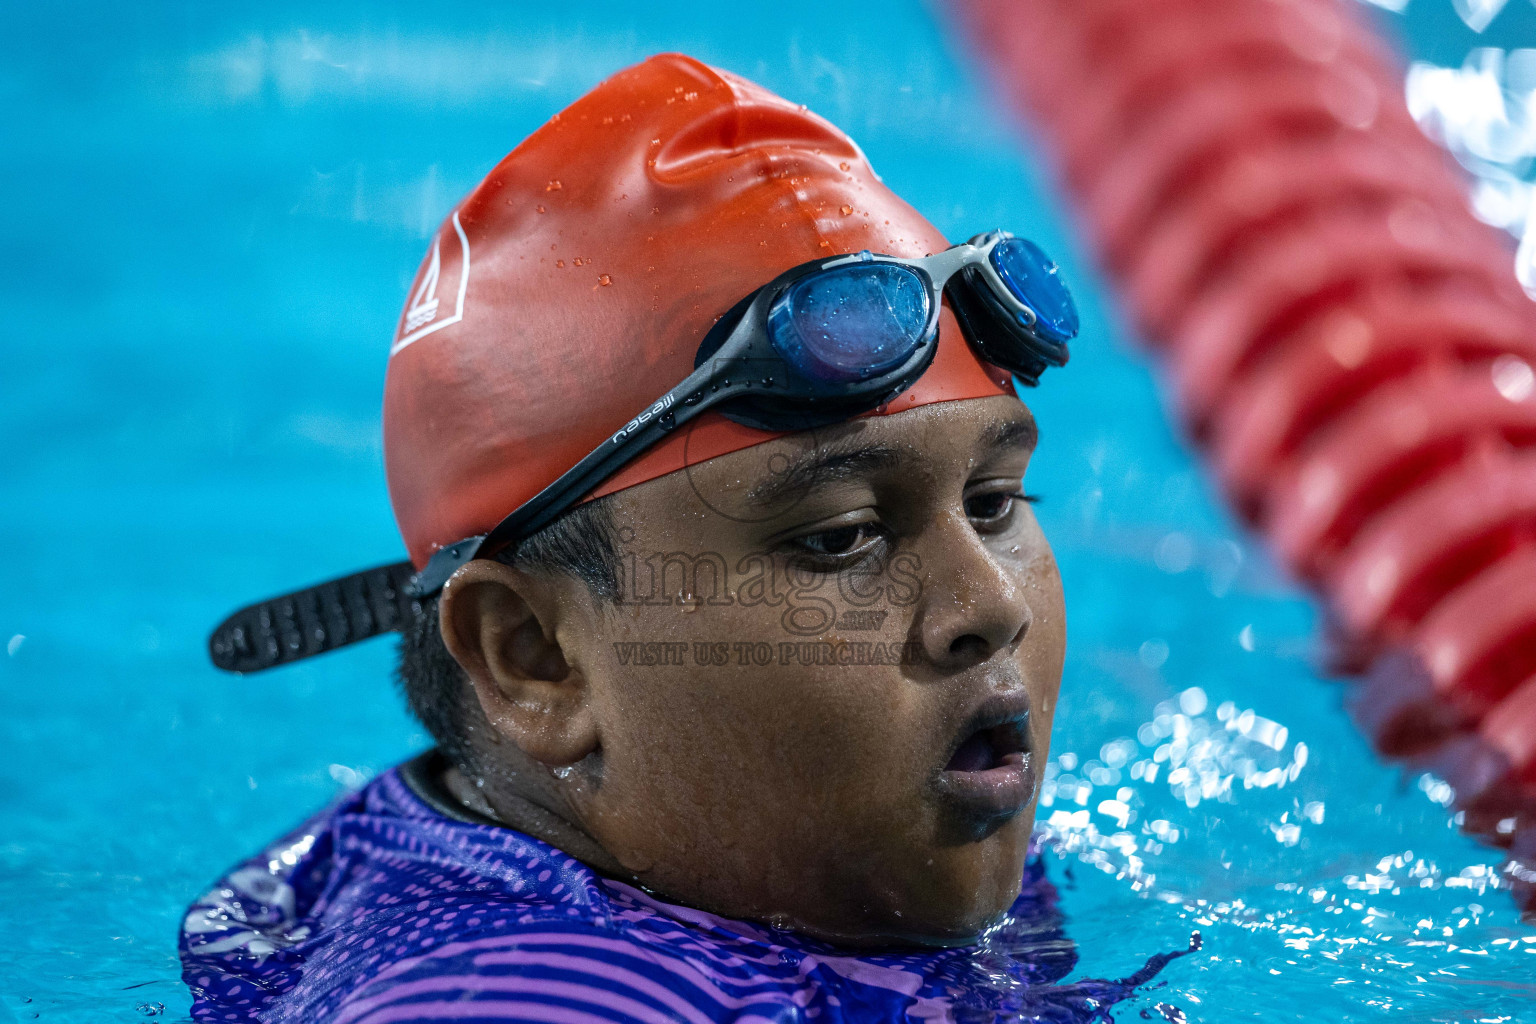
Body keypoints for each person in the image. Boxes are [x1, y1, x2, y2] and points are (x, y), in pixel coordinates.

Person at [182, 52, 1157, 1023]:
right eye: (843, 536)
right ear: (537, 661)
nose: (990, 605)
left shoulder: (805, 857)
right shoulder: (516, 998)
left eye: (994, 502)